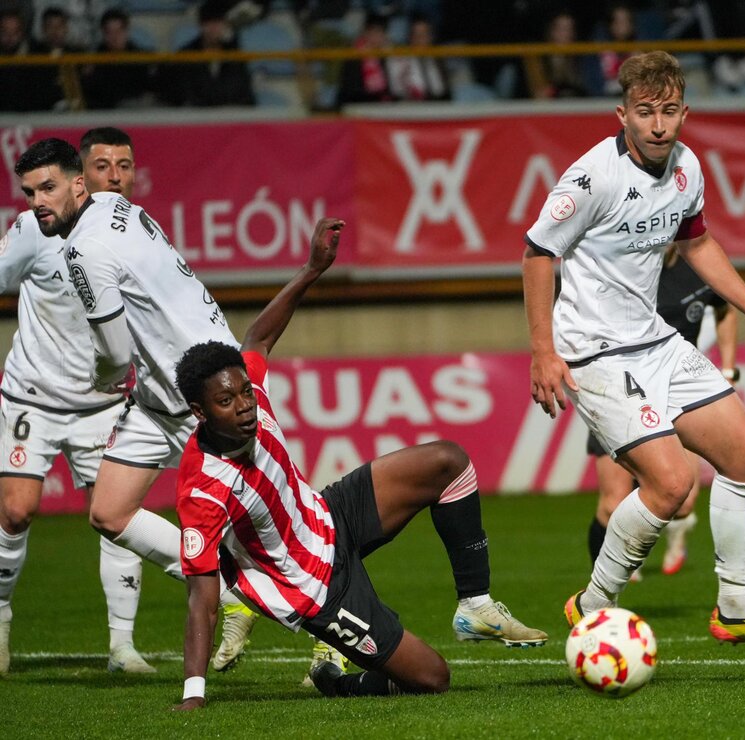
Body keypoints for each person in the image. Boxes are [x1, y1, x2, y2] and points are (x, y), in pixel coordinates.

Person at [172, 219, 547, 709]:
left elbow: (258, 340)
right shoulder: (203, 489)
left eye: (245, 390)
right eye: (228, 401)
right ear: (200, 413)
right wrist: (194, 693)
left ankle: (474, 605)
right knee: (433, 679)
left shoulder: (251, 397)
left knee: (449, 462)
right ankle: (339, 682)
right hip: (315, 588)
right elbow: (202, 596)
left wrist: (311, 269)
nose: (245, 405)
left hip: (331, 515)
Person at [522, 50, 745, 653]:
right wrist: (543, 351)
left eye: (669, 111)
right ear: (622, 115)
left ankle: (736, 607)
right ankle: (593, 606)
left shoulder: (687, 167)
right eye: (645, 112)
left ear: (684, 111)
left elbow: (698, 242)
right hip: (596, 354)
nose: (659, 125)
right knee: (672, 485)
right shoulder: (590, 178)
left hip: (655, 340)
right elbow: (536, 254)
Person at [13, 137, 258, 674]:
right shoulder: (116, 207)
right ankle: (222, 581)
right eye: (29, 193)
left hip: (207, 400)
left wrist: (100, 378)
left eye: (48, 188)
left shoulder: (82, 249)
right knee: (108, 510)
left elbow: (115, 353)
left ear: (78, 185)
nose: (37, 203)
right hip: (157, 399)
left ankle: (333, 636)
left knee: (277, 536)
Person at [0, 128, 153, 675]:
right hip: (32, 399)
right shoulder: (30, 231)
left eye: (125, 166)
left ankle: (122, 647)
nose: (116, 176)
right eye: (104, 165)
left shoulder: (130, 230)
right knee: (16, 511)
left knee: (117, 517)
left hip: (103, 405)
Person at [586, 243, 740, 578]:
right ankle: (603, 592)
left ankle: (676, 535)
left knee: (682, 501)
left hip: (676, 391)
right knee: (613, 504)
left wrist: (728, 367)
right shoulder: (622, 271)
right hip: (620, 390)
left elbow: (725, 309)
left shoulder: (698, 268)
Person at [164, 0, 256, 108]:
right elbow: (183, 95)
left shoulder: (234, 55)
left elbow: (245, 94)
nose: (213, 29)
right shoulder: (186, 55)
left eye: (218, 23)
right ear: (201, 26)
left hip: (230, 117)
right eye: (209, 23)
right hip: (197, 118)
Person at [81, 8, 157, 109]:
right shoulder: (94, 60)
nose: (114, 37)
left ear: (127, 31)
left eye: (119, 31)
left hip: (136, 111)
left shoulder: (141, 57)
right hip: (104, 112)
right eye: (109, 32)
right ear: (103, 33)